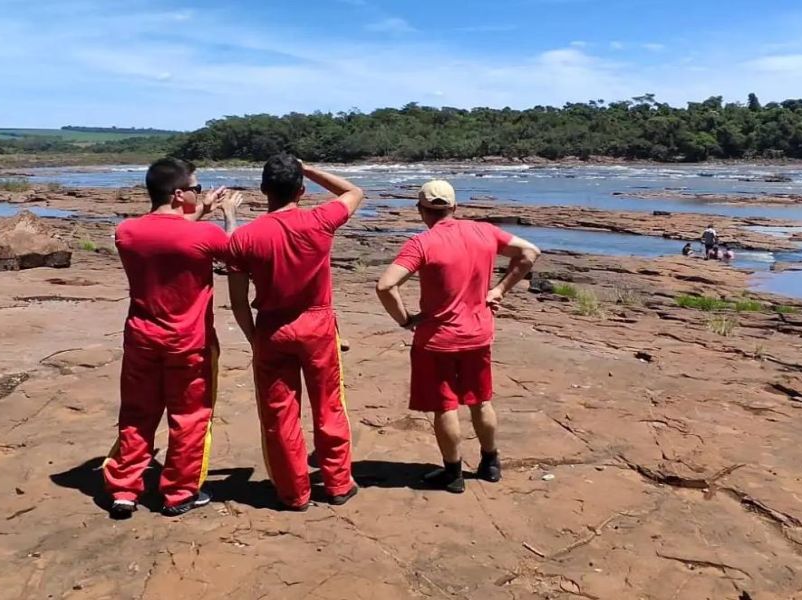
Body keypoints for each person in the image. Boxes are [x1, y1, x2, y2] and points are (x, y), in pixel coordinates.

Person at [375, 180, 541, 494]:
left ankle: (453, 473)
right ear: (455, 207)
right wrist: (499, 290)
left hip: (437, 339)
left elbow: (385, 286)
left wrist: (406, 320)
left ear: (421, 210)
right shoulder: (484, 232)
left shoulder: (422, 243)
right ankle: (490, 463)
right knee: (480, 400)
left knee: (445, 406)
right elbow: (530, 252)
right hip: (478, 334)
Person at [105, 157, 243, 519]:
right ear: (180, 193)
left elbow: (169, 238)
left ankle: (124, 490)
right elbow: (231, 252)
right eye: (197, 189)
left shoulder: (128, 232)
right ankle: (178, 492)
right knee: (189, 417)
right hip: (188, 342)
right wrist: (227, 215)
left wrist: (198, 210)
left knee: (136, 415)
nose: (200, 194)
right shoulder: (203, 235)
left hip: (141, 340)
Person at [227, 154, 364, 510]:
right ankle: (336, 484)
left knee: (279, 414)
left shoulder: (243, 238)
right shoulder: (319, 220)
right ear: (302, 190)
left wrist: (253, 337)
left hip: (272, 328)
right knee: (329, 406)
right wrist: (313, 168)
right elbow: (354, 192)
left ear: (262, 190)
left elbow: (239, 302)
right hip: (317, 325)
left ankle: (293, 493)